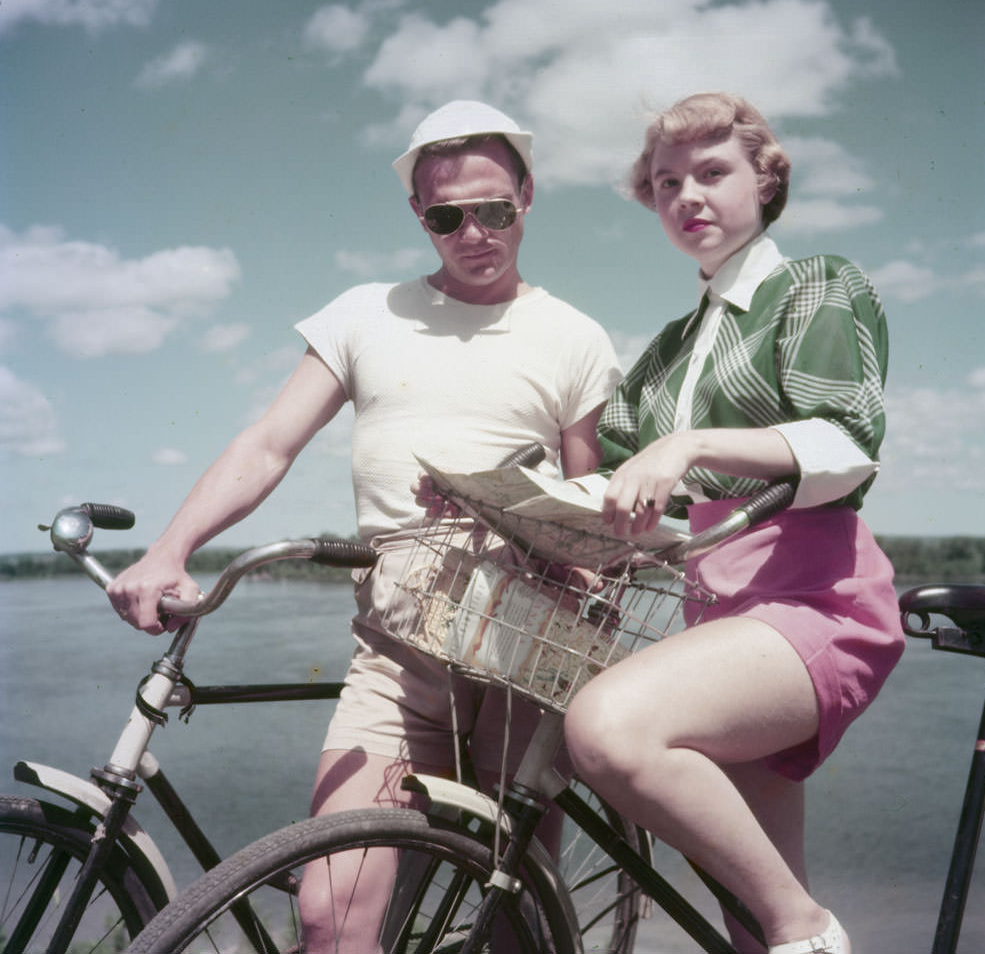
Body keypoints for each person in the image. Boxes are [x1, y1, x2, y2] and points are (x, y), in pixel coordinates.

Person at [107, 99, 622, 949]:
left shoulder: (573, 336)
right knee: (332, 909)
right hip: (398, 650)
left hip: (524, 656)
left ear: (528, 196)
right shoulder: (362, 314)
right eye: (448, 215)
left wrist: (531, 528)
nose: (475, 232)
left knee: (514, 914)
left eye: (494, 208)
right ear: (419, 214)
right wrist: (170, 548)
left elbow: (588, 508)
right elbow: (270, 443)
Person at [562, 92, 904, 954]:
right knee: (746, 921)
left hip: (816, 601)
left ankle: (816, 931)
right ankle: (789, 929)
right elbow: (609, 479)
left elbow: (846, 440)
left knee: (607, 727)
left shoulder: (816, 285)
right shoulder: (671, 347)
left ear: (767, 178)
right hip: (719, 614)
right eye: (667, 182)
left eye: (713, 173)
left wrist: (688, 443)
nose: (688, 196)